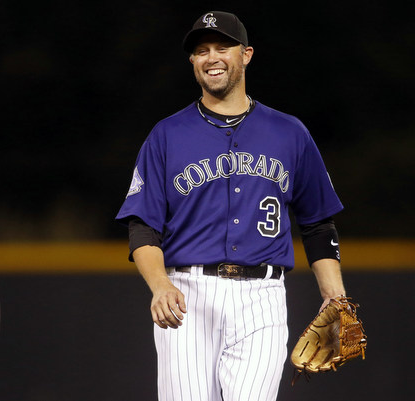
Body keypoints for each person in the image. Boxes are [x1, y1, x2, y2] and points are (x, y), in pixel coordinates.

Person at [115, 11, 346, 401]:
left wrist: (335, 297)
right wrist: (159, 285)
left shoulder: (290, 133)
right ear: (192, 61)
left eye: (223, 47)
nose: (212, 57)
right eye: (201, 50)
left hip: (263, 296)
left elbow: (319, 224)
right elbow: (142, 225)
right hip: (186, 294)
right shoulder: (166, 135)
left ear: (247, 55)